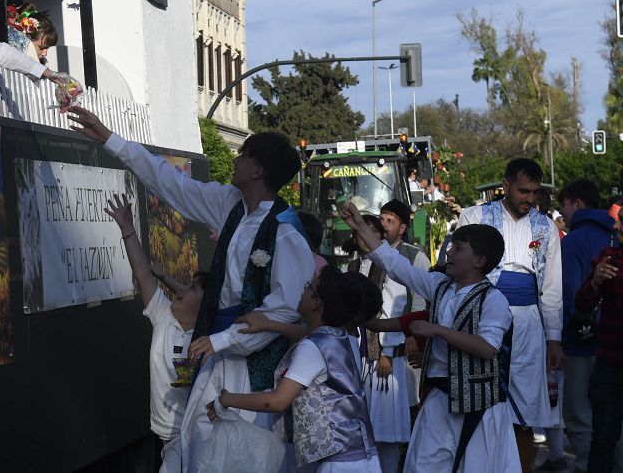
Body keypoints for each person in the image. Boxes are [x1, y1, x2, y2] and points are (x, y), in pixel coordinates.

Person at [67, 105, 315, 472]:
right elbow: (173, 184)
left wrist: (223, 340)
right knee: (198, 441)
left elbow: (283, 311)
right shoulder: (232, 205)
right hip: (216, 349)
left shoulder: (286, 231)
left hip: (250, 361)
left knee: (240, 452)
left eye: (242, 155)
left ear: (257, 170)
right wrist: (110, 139)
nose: (234, 160)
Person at [342, 204, 521, 473]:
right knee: (425, 466)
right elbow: (395, 264)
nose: (448, 252)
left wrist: (437, 331)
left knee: (475, 466)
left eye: (458, 248)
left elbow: (487, 348)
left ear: (479, 261)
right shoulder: (440, 286)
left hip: (478, 405)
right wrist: (359, 227)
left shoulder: (493, 299)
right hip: (439, 398)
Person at [207, 265, 381, 472]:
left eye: (309, 287)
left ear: (316, 302)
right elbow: (308, 333)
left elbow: (276, 401)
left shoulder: (312, 348)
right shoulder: (340, 337)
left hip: (341, 464)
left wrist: (226, 399)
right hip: (360, 456)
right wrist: (269, 324)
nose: (303, 290)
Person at [458, 158, 564, 472]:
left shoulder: (546, 227)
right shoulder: (475, 216)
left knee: (525, 412)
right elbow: (455, 270)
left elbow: (553, 287)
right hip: (482, 321)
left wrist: (554, 339)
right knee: (481, 403)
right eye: (523, 191)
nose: (529, 198)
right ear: (505, 186)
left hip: (529, 328)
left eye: (534, 192)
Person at [103, 194, 204, 471]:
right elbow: (142, 274)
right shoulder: (163, 315)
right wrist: (127, 229)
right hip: (166, 435)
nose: (181, 288)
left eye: (193, 288)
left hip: (198, 436)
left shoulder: (211, 340)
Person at [346, 200, 429, 473]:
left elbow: (399, 305)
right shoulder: (355, 265)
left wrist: (387, 352)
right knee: (365, 424)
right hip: (361, 352)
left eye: (387, 222)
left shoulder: (404, 261)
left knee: (387, 428)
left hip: (385, 353)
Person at [557, 180, 623, 472]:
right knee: (613, 422)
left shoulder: (573, 240)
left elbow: (572, 295)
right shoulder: (611, 242)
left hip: (584, 342)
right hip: (609, 344)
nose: (562, 212)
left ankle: (585, 466)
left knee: (582, 415)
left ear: (577, 204)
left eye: (564, 205)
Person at [575, 234, 623, 473]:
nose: (616, 225)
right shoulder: (610, 258)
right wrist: (595, 282)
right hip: (610, 364)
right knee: (603, 437)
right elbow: (582, 304)